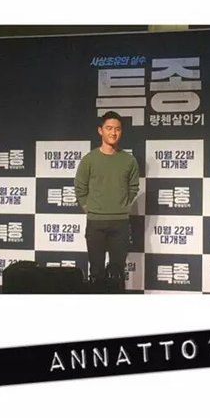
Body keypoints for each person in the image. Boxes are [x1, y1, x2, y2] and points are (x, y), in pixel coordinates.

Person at [75, 111, 140, 289]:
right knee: (96, 272)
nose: (113, 133)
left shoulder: (129, 160)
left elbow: (133, 187)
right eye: (109, 128)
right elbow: (80, 187)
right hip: (95, 222)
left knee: (117, 273)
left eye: (117, 129)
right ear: (100, 130)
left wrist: (122, 206)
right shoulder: (89, 160)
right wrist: (89, 208)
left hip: (120, 223)